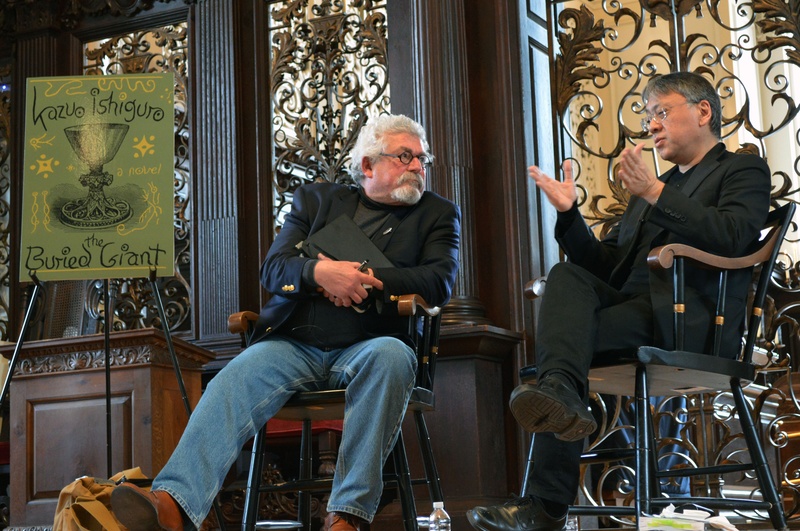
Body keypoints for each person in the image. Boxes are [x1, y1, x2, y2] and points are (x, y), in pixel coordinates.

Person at [110, 113, 461, 531]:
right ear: (368, 165)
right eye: (406, 156)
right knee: (234, 375)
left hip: (372, 342)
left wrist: (359, 278)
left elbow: (437, 282)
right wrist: (318, 274)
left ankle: (346, 516)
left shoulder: (437, 213)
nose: (419, 167)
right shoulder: (317, 201)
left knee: (392, 358)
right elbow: (274, 269)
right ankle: (172, 503)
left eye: (423, 159)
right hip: (295, 342)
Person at [466, 71, 771, 531]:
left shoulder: (740, 169)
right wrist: (570, 216)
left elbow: (733, 236)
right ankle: (561, 394)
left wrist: (653, 193)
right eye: (649, 116)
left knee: (564, 355)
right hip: (632, 310)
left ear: (703, 111)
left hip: (687, 319)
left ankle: (544, 506)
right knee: (566, 277)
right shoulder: (653, 187)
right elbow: (605, 267)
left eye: (662, 112)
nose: (652, 125)